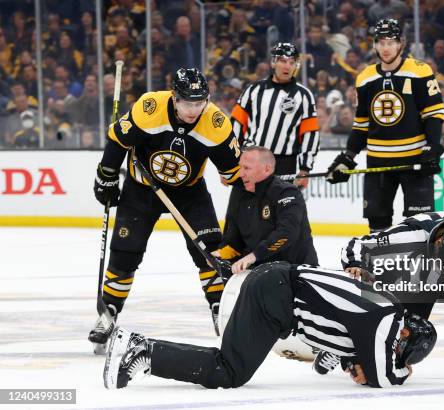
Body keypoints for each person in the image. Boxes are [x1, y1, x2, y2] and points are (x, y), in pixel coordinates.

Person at [88, 68, 242, 349]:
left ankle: (220, 307)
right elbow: (119, 140)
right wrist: (106, 175)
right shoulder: (150, 107)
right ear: (174, 98)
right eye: (187, 103)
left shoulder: (216, 122)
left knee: (210, 250)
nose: (194, 109)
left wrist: (236, 177)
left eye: (200, 102)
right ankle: (108, 312)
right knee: (125, 251)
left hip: (188, 192)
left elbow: (234, 172)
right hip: (140, 189)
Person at [103, 262, 437, 389]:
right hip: (277, 295)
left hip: (278, 286)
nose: (394, 353)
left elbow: (347, 342)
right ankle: (142, 350)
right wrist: (403, 372)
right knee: (230, 372)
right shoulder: (386, 319)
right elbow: (383, 378)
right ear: (405, 333)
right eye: (399, 351)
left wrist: (350, 360)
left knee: (230, 365)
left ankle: (145, 351)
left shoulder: (384, 305)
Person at [314, 208, 444, 377]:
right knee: (411, 336)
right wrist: (355, 264)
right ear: (437, 245)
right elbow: (356, 243)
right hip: (411, 282)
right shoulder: (405, 237)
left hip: (435, 279)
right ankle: (345, 346)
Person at [326, 18, 444, 232]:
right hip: (378, 161)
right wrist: (348, 157)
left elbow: (433, 114)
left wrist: (432, 147)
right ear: (374, 45)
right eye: (381, 42)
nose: (386, 48)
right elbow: (361, 124)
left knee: (419, 224)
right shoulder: (365, 78)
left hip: (414, 159)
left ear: (401, 43)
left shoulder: (419, 71)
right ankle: (379, 265)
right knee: (377, 224)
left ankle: (420, 266)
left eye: (391, 42)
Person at [212, 146, 318, 274]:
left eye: (247, 168)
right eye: (240, 167)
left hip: (296, 272)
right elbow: (234, 240)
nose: (241, 173)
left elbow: (287, 233)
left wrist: (254, 255)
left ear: (267, 168)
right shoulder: (239, 193)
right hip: (260, 274)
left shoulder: (287, 192)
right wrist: (221, 254)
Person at [231, 42, 320, 188]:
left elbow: (310, 134)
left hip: (285, 164)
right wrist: (231, 163)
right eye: (283, 61)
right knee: (242, 209)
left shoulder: (304, 96)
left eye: (292, 62)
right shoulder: (254, 90)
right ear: (273, 62)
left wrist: (305, 169)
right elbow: (236, 125)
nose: (287, 66)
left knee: (279, 210)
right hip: (252, 160)